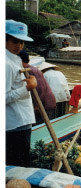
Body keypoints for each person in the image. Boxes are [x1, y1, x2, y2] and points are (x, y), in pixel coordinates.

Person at [6, 19, 36, 167]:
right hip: (15, 125)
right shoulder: (5, 63)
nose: (19, 45)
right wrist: (27, 89)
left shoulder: (15, 59)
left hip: (21, 122)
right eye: (15, 41)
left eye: (22, 42)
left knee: (21, 165)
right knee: (17, 168)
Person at [18, 50, 57, 124]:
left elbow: (40, 88)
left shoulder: (31, 71)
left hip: (44, 104)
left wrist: (37, 105)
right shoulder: (28, 70)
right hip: (42, 103)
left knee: (42, 127)